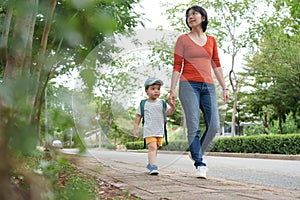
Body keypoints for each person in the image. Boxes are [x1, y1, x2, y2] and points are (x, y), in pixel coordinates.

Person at [168, 5, 229, 179]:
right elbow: (176, 66)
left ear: (203, 18)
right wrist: (172, 89)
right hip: (188, 85)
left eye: (194, 14)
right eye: (188, 15)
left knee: (214, 126)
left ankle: (196, 151)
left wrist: (224, 87)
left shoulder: (211, 40)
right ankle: (200, 163)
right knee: (193, 124)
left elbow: (216, 65)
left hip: (208, 86)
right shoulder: (182, 39)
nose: (190, 17)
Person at [134, 77, 176, 175]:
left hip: (159, 131)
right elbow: (137, 118)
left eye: (158, 89)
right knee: (152, 147)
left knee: (155, 148)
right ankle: (153, 166)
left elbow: (169, 112)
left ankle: (150, 163)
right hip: (149, 130)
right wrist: (136, 129)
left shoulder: (162, 103)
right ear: (146, 91)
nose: (156, 91)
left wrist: (173, 106)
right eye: (153, 89)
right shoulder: (143, 104)